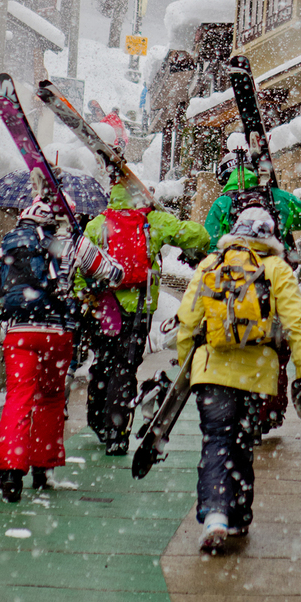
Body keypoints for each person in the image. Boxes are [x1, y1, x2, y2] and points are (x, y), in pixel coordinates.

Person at [177, 206, 301, 552]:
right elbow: (297, 325)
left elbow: (187, 320)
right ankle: (238, 517)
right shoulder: (276, 269)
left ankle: (214, 513)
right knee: (241, 440)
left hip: (212, 371)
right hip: (257, 376)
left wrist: (186, 368)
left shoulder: (212, 265)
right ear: (269, 236)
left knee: (216, 439)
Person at [0, 184, 124, 503]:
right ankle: (43, 466)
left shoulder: (10, 243)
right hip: (58, 333)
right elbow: (112, 273)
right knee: (51, 397)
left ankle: (11, 472)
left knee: (19, 396)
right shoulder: (72, 240)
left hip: (19, 334)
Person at [80, 182, 209, 455]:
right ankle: (118, 434)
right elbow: (198, 237)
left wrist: (85, 295)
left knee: (103, 361)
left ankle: (98, 421)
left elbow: (80, 269)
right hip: (139, 307)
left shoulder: (97, 225)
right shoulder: (153, 222)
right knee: (125, 368)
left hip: (104, 308)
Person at [205, 150, 301, 433]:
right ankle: (269, 412)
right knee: (276, 350)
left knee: (233, 342)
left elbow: (207, 244)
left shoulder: (222, 203)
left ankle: (235, 409)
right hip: (274, 286)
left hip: (234, 291)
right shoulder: (278, 198)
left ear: (224, 177)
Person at [205, 151, 301, 254]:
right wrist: (284, 223)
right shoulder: (278, 196)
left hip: (238, 269)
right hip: (277, 267)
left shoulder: (222, 203)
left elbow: (210, 246)